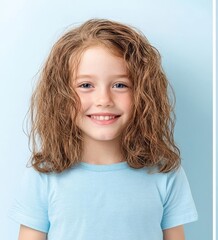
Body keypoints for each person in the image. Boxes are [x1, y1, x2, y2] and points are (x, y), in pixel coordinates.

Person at [9, 19, 198, 240]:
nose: (104, 100)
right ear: (60, 96)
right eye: (86, 85)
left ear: (143, 95)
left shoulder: (165, 173)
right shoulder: (43, 177)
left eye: (120, 85)